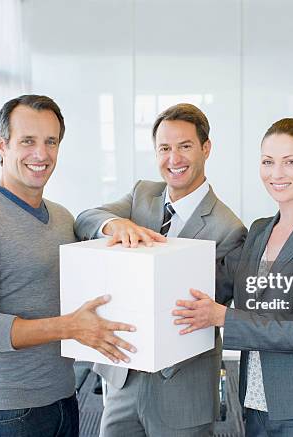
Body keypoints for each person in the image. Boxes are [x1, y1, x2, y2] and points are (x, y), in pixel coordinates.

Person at [0, 95, 136, 437]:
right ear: (0, 144)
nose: (41, 154)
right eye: (27, 141)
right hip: (9, 410)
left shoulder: (61, 217)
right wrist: (69, 327)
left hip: (64, 394)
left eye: (51, 142)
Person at [173, 118, 293, 436]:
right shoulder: (259, 231)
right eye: (267, 162)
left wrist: (223, 318)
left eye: (290, 162)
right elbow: (221, 286)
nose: (276, 174)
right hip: (255, 402)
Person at [74, 103, 246, 436]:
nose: (174, 159)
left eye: (185, 146)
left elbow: (213, 312)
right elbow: (85, 219)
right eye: (164, 148)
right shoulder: (142, 195)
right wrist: (116, 224)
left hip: (181, 388)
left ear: (206, 148)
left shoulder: (229, 229)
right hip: (124, 378)